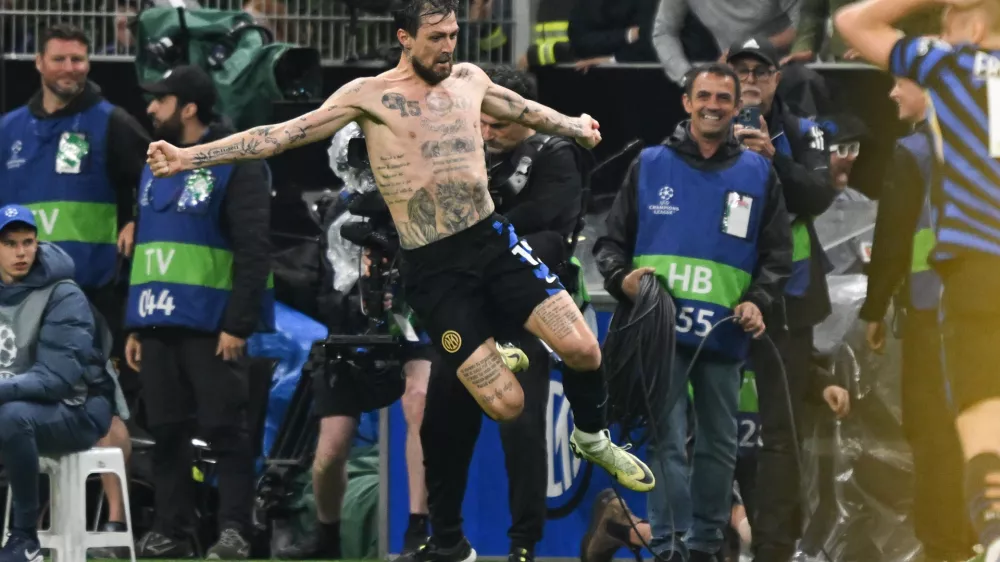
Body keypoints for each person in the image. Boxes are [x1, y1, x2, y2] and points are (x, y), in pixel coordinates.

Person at [146, 0, 655, 546]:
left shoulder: (468, 78)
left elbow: (525, 108)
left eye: (453, 35)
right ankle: (481, 381)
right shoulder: (369, 96)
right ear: (404, 38)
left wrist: (574, 125)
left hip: (492, 242)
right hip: (435, 273)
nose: (447, 47)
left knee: (584, 349)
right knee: (508, 402)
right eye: (435, 37)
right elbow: (280, 135)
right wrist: (187, 157)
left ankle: (591, 436)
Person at [593, 63, 792, 562]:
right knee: (666, 445)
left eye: (724, 98)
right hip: (659, 336)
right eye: (704, 95)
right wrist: (623, 280)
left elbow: (778, 257)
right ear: (686, 102)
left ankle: (704, 547)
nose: (713, 105)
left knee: (718, 447)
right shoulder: (650, 164)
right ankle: (668, 545)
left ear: (734, 106)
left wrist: (758, 301)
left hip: (724, 333)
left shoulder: (758, 172)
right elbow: (611, 245)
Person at [835, 0, 1000, 558]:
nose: (892, 93)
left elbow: (855, 21)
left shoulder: (945, 86)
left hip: (956, 298)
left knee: (953, 432)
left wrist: (875, 310)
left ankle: (962, 541)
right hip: (954, 298)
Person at [411, 64, 589, 562]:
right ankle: (445, 539)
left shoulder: (556, 158)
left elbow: (547, 237)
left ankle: (522, 546)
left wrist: (471, 251)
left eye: (500, 125)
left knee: (522, 430)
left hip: (522, 317)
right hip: (461, 319)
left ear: (525, 116)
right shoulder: (459, 151)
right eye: (483, 123)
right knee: (441, 424)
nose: (489, 134)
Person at [0, 22, 149, 545]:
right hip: (20, 301)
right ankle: (43, 524)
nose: (71, 69)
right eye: (60, 59)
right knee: (31, 410)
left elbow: (156, 178)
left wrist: (137, 218)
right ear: (38, 64)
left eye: (80, 60)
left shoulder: (111, 123)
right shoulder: (8, 131)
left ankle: (114, 520)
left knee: (101, 400)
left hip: (92, 294)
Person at [123, 65, 274, 560]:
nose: (150, 108)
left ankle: (234, 531)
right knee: (166, 432)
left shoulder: (237, 160)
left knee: (225, 431)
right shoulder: (153, 164)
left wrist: (238, 323)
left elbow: (255, 249)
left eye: (159, 100)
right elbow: (151, 246)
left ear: (188, 108)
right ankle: (172, 530)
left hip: (213, 327)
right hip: (157, 322)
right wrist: (136, 324)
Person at [725, 36, 838, 562]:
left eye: (760, 70)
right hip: (720, 298)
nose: (750, 78)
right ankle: (712, 535)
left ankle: (774, 546)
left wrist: (774, 158)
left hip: (788, 300)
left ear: (775, 78)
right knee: (703, 424)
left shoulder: (803, 129)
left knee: (781, 432)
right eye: (741, 68)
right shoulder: (702, 125)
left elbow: (819, 195)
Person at [859, 76, 976, 562]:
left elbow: (892, 241)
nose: (892, 95)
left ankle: (946, 547)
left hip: (934, 320)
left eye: (901, 84)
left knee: (933, 437)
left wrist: (874, 309)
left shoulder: (915, 152)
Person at [0, 205, 116, 562]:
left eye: (28, 242)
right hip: (16, 404)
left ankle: (25, 537)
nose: (21, 253)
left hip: (79, 409)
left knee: (12, 417)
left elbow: (56, 380)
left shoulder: (64, 294)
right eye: (10, 243)